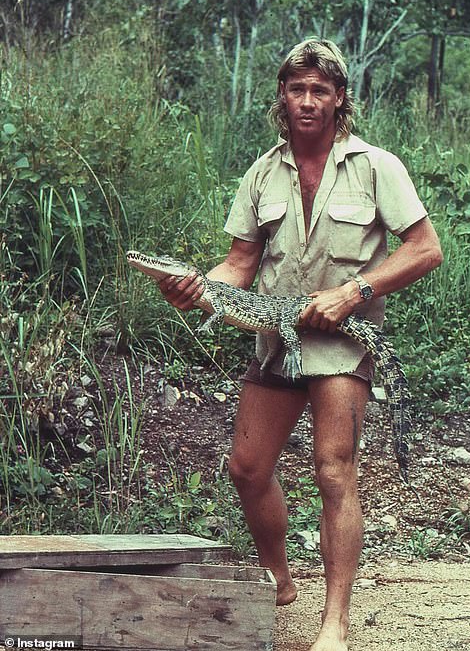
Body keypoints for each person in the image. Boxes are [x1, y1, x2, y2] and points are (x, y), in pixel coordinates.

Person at [159, 38, 443, 651]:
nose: (308, 101)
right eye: (297, 89)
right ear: (281, 99)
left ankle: (334, 625)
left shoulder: (375, 166)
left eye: (320, 90)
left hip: (341, 338)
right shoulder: (262, 173)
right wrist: (197, 291)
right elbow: (239, 264)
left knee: (334, 469)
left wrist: (353, 291)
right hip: (276, 339)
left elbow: (426, 249)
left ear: (340, 99)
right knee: (248, 467)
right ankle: (282, 580)